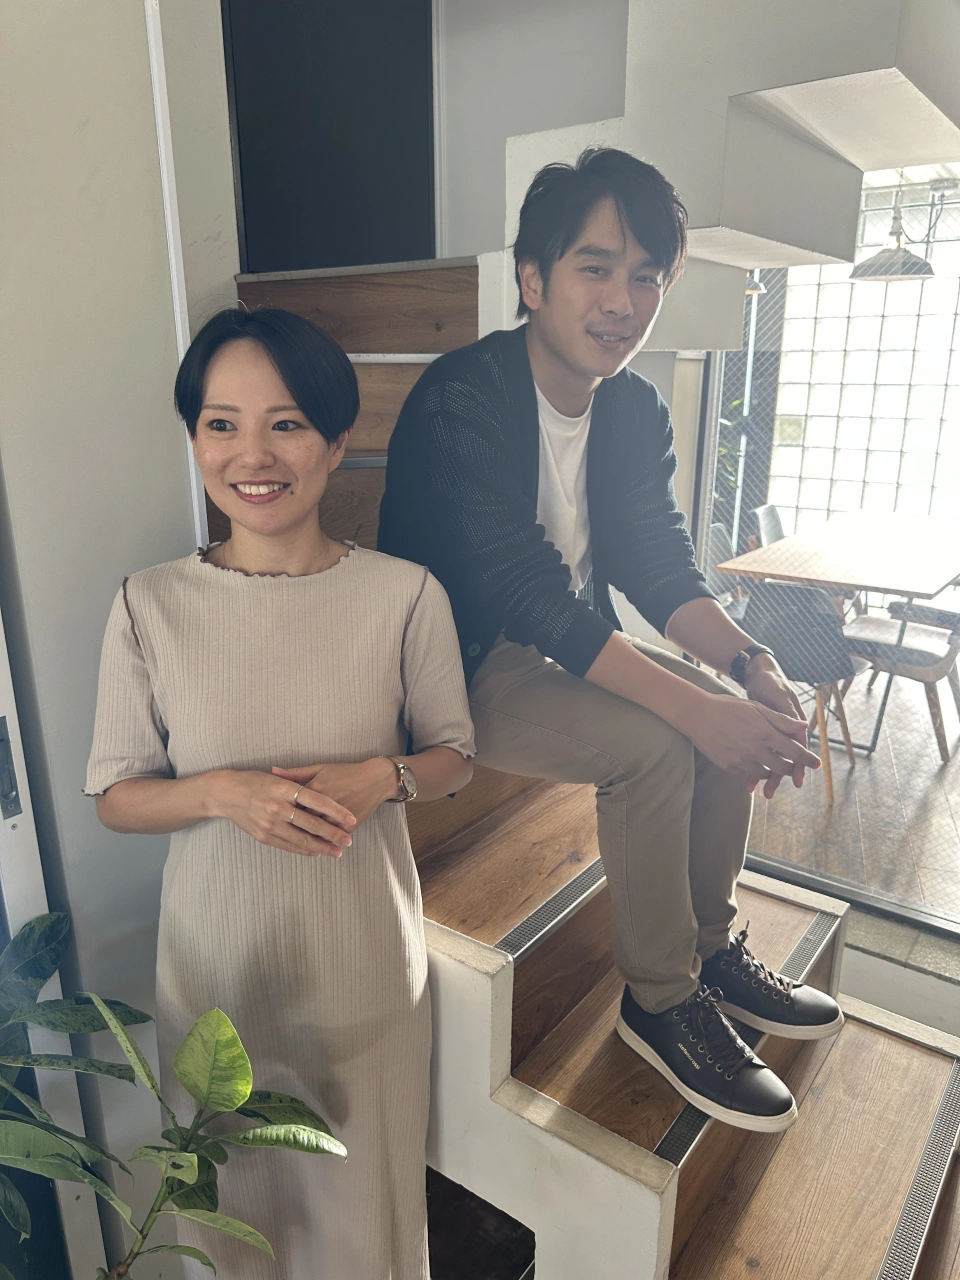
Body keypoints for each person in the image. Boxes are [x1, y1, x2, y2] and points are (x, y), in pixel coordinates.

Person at [378, 147, 843, 1134]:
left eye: (646, 276)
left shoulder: (630, 407)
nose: (623, 302)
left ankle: (709, 949)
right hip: (454, 663)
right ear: (533, 279)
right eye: (595, 267)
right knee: (657, 741)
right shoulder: (464, 397)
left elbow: (655, 561)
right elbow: (526, 594)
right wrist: (699, 711)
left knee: (717, 711)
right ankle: (660, 1000)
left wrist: (751, 666)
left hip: (558, 644)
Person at [86, 307, 475, 1279]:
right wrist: (222, 794)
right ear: (194, 439)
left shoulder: (406, 595)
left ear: (336, 442)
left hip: (364, 975)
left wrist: (384, 775)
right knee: (232, 1235)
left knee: (364, 1231)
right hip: (215, 987)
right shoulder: (148, 604)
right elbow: (117, 797)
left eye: (287, 423)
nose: (252, 455)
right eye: (222, 423)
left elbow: (455, 757)